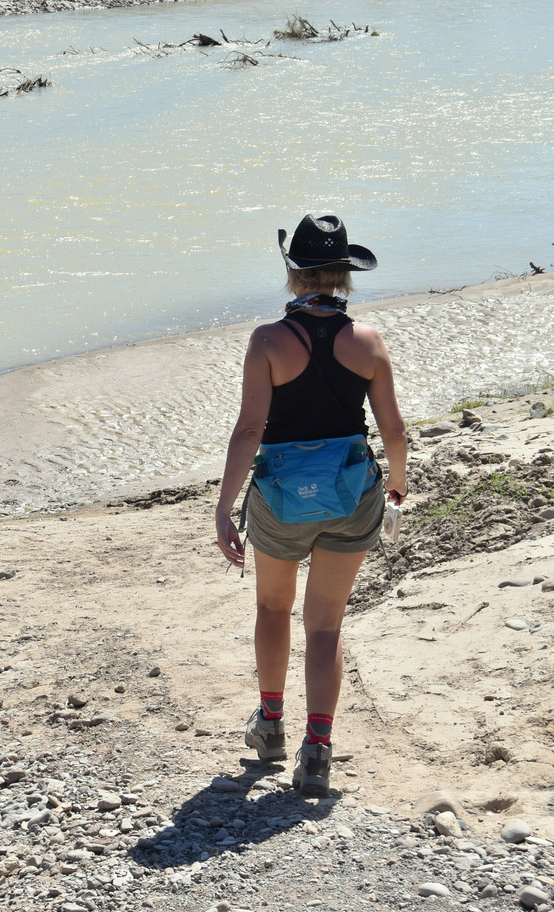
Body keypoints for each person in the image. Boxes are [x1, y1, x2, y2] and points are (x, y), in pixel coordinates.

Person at [214, 215, 408, 798]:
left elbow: (250, 430)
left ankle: (270, 726)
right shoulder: (368, 340)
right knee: (325, 626)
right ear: (346, 275)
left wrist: (224, 508)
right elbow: (393, 432)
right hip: (351, 496)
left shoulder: (269, 340)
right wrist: (395, 487)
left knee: (275, 610)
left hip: (280, 499)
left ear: (293, 273)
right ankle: (317, 749)